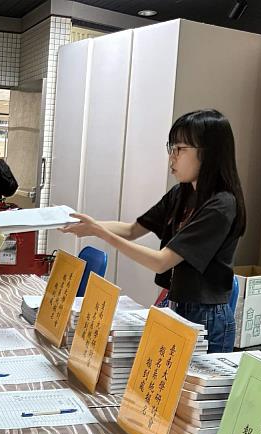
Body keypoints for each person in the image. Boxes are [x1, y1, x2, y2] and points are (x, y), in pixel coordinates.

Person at [61, 109, 246, 353]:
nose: (172, 158)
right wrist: (83, 224)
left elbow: (161, 262)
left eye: (180, 149)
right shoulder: (182, 193)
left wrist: (101, 232)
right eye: (171, 148)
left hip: (207, 317)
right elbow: (130, 230)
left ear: (208, 153)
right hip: (177, 304)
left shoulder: (221, 206)